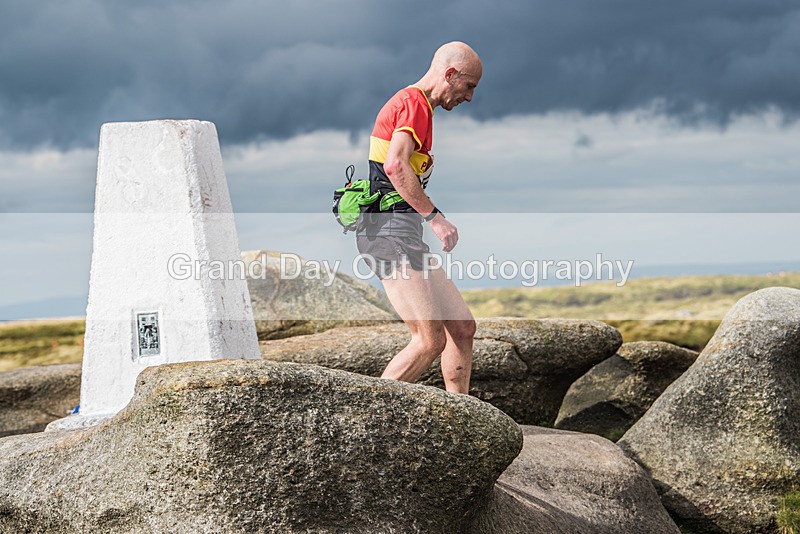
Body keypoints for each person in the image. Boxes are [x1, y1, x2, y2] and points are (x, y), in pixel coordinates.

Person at [356, 41, 482, 394]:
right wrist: (436, 218)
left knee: (462, 328)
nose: (469, 97)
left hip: (401, 232)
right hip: (387, 232)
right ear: (450, 74)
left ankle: (462, 415)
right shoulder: (414, 104)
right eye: (468, 85)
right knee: (428, 340)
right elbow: (395, 166)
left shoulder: (418, 107)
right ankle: (366, 420)